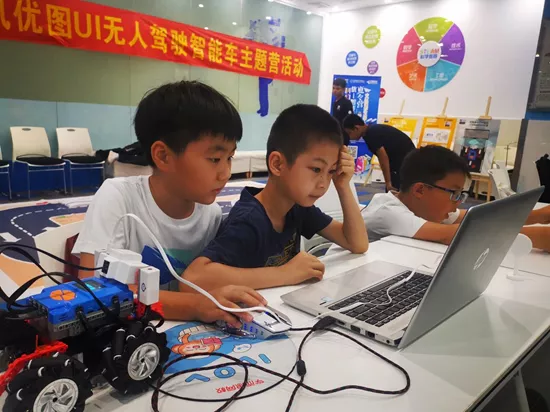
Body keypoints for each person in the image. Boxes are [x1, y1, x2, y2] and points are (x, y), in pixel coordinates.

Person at [72, 81, 266, 325]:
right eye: (215, 159)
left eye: (230, 157)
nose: (225, 173)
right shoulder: (118, 198)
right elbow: (96, 293)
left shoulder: (211, 214)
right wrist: (195, 306)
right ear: (163, 156)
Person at [184, 104, 369, 290]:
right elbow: (193, 279)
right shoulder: (248, 220)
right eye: (316, 169)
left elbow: (357, 243)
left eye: (331, 171)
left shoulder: (298, 207)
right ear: (278, 164)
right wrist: (284, 274)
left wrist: (343, 185)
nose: (323, 183)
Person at [364, 145, 550, 251]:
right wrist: (539, 236)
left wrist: (541, 215)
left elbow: (480, 218)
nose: (458, 202)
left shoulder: (422, 208)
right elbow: (456, 235)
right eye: (454, 194)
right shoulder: (387, 212)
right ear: (420, 190)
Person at [343, 114, 415, 192]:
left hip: (405, 163)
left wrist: (388, 182)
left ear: (356, 128)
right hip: (405, 161)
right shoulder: (371, 131)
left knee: (394, 192)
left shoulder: (371, 134)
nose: (349, 137)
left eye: (349, 133)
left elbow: (383, 157)